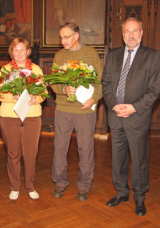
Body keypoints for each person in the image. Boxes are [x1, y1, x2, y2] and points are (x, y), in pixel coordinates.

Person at [101, 17, 160, 216]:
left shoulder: (152, 56)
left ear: (141, 33)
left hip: (137, 117)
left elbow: (154, 90)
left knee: (138, 158)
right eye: (127, 31)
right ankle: (121, 192)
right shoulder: (113, 55)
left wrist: (133, 108)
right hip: (116, 115)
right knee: (118, 158)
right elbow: (106, 84)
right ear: (122, 33)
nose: (131, 35)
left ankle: (139, 197)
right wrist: (115, 106)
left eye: (135, 31)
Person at [51, 22, 102, 201]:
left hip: (84, 110)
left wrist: (93, 99)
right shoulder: (59, 55)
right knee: (60, 147)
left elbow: (100, 82)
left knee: (85, 148)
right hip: (63, 108)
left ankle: (84, 185)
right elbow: (54, 82)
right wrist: (64, 90)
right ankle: (60, 182)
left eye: (67, 37)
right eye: (61, 37)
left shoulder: (90, 53)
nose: (63, 40)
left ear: (77, 36)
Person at [0, 38, 46, 201]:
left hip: (32, 116)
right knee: (13, 153)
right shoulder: (5, 70)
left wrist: (35, 99)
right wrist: (13, 96)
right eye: (15, 50)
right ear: (12, 52)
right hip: (10, 116)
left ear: (28, 52)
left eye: (22, 50)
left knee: (31, 154)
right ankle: (15, 187)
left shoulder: (37, 69)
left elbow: (43, 92)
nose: (19, 53)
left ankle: (30, 186)